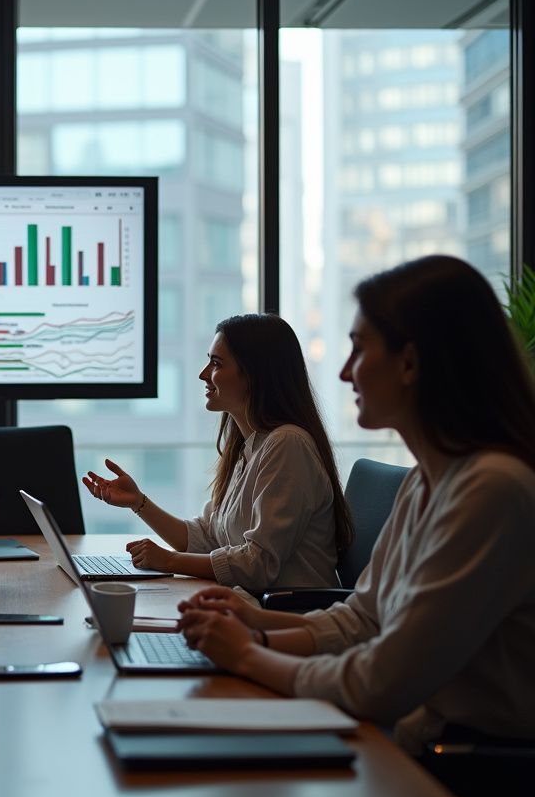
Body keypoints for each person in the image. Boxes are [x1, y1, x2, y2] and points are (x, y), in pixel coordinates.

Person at [177, 256, 535, 753]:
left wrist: (248, 656)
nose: (345, 373)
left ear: (409, 363)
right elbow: (362, 620)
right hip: (414, 740)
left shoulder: (491, 490)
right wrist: (254, 630)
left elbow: (379, 683)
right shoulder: (427, 483)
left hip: (466, 769)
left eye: (359, 349)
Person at [83, 313, 350, 591]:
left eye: (216, 363)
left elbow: (257, 565)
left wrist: (171, 561)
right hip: (249, 605)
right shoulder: (251, 447)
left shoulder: (288, 445)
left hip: (286, 616)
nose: (203, 374)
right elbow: (208, 537)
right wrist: (138, 502)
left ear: (254, 374)